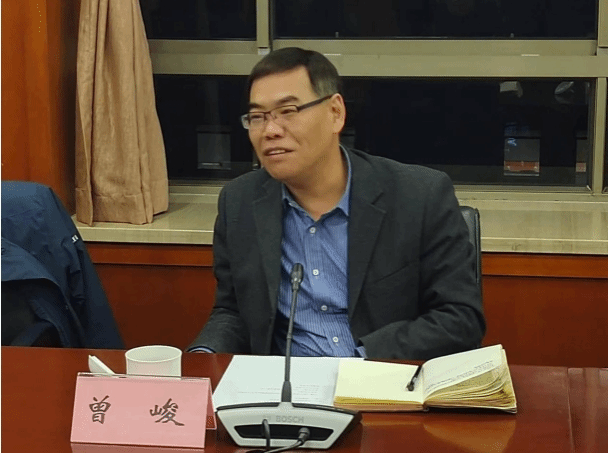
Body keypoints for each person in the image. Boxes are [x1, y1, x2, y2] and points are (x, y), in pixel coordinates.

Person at [188, 47, 484, 359]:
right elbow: (233, 312)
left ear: (335, 113)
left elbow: (460, 319)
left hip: (383, 377)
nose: (270, 131)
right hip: (285, 381)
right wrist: (202, 359)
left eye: (288, 111)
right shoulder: (240, 202)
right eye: (258, 117)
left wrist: (358, 361)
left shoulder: (418, 196)